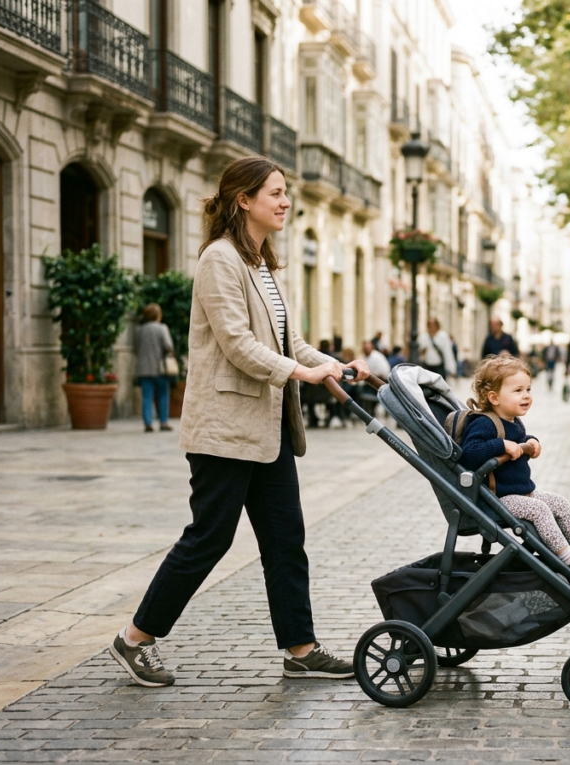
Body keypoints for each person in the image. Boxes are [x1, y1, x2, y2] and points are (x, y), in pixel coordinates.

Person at [108, 156, 370, 689]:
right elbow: (237, 343)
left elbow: (289, 342)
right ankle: (134, 638)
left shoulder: (263, 263)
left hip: (268, 429)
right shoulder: (219, 259)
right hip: (225, 428)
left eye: (285, 192)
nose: (285, 201)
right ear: (243, 200)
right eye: (275, 192)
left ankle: (301, 649)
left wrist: (334, 364)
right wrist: (300, 372)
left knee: (285, 539)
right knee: (209, 538)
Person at [459, 355, 570, 581]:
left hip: (521, 493)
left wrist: (530, 441)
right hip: (497, 498)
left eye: (528, 389)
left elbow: (519, 439)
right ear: (494, 397)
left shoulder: (513, 420)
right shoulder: (484, 422)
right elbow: (469, 453)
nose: (526, 395)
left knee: (559, 503)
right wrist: (501, 445)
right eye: (518, 391)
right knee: (539, 510)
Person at [135, 303, 175, 433]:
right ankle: (163, 422)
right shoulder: (162, 328)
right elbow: (168, 346)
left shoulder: (139, 330)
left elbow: (135, 348)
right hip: (160, 368)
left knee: (147, 396)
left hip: (144, 369)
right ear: (158, 315)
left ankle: (148, 423)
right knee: (163, 394)